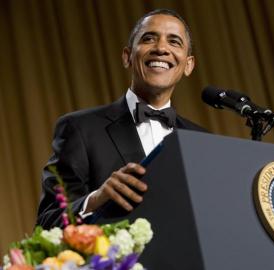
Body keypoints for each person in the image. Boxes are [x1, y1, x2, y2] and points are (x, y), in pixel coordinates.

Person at [36, 9, 205, 229]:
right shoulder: (79, 128)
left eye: (174, 42)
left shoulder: (202, 141)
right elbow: (48, 223)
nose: (161, 48)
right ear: (127, 56)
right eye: (149, 38)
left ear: (188, 65)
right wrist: (95, 200)